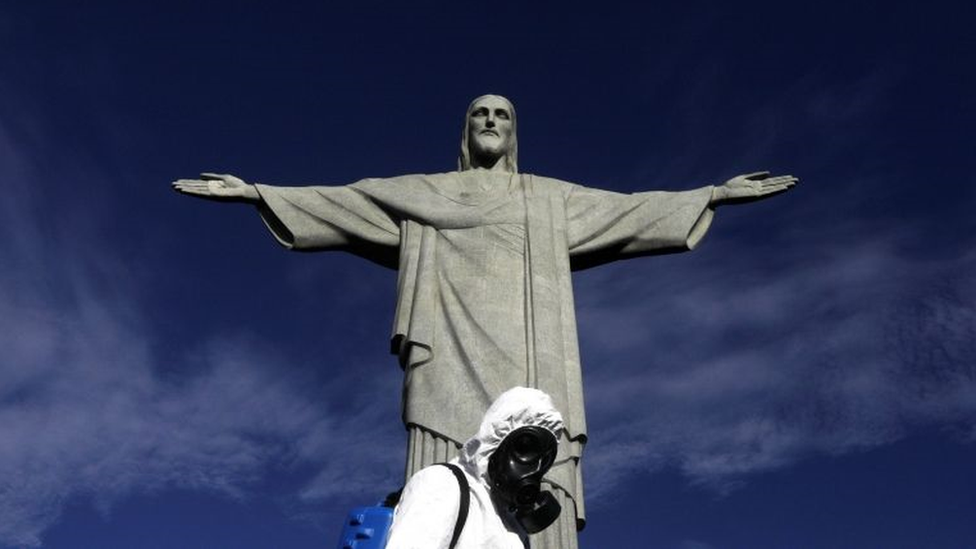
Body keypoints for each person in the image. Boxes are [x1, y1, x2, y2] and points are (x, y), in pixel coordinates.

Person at [173, 94, 796, 549]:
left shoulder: (547, 199)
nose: (491, 122)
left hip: (530, 355)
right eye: (480, 114)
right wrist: (258, 192)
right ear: (465, 130)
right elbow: (347, 201)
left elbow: (626, 212)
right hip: (447, 351)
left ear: (514, 131)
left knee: (533, 455)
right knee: (439, 484)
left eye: (503, 114)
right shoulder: (424, 192)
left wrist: (709, 195)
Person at [386, 387, 565, 549]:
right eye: (525, 449)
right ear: (499, 439)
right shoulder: (442, 483)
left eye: (543, 460)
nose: (534, 469)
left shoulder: (513, 527)